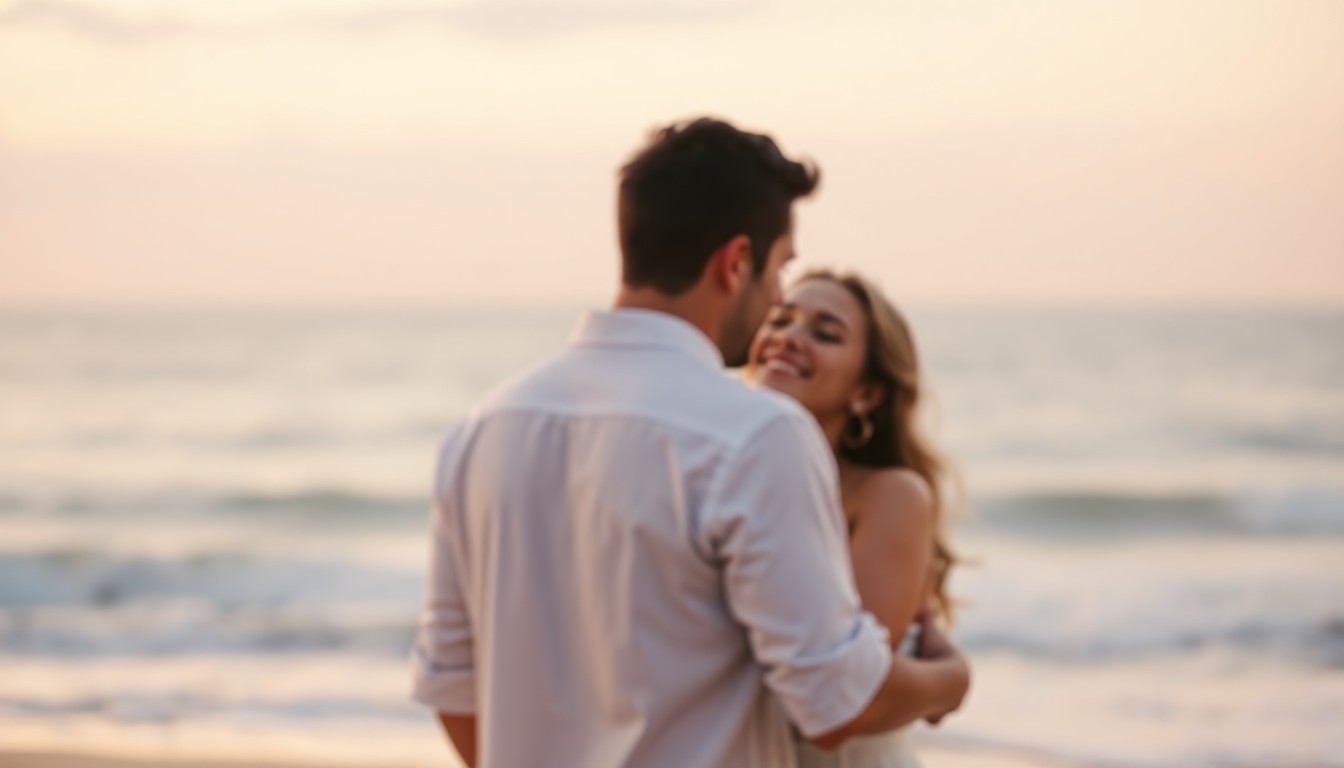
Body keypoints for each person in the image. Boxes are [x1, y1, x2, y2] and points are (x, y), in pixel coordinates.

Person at [410, 117, 969, 768]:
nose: (777, 299)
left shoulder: (484, 428)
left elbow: (453, 686)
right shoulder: (759, 436)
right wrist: (951, 679)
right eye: (780, 269)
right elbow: (839, 703)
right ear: (736, 263)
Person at [744, 270, 963, 767]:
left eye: (825, 333)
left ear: (867, 394)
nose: (788, 338)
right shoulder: (717, 476)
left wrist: (954, 683)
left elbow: (849, 698)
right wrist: (948, 681)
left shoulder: (889, 496)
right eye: (780, 319)